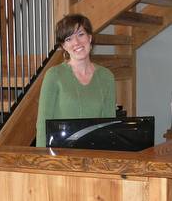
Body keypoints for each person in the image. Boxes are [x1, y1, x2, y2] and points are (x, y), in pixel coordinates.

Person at [36, 14, 116, 147]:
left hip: (94, 157)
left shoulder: (107, 77)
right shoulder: (54, 75)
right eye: (69, 39)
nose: (76, 43)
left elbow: (109, 125)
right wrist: (42, 160)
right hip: (60, 157)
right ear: (64, 46)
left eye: (80, 34)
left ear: (89, 37)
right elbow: (42, 123)